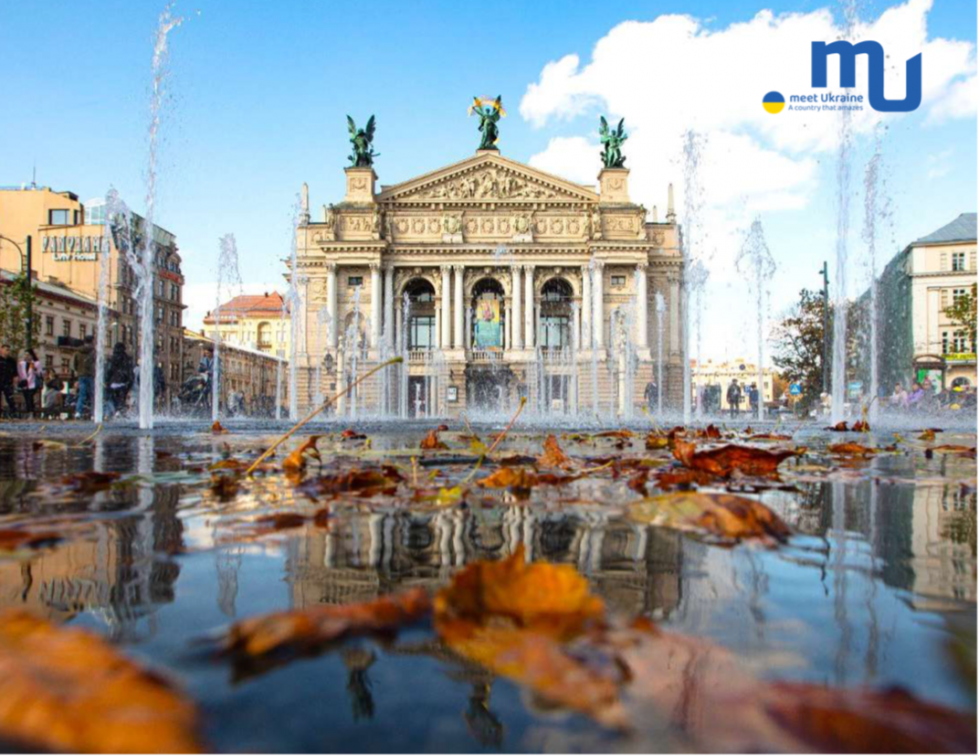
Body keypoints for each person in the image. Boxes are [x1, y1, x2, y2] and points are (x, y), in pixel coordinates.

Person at [106, 342, 134, 417]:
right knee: (122, 399)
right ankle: (120, 411)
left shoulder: (112, 359)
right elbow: (130, 371)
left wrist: (107, 381)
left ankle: (116, 411)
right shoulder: (127, 359)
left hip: (113, 383)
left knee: (114, 398)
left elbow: (109, 371)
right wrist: (130, 382)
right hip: (123, 382)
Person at [73, 336, 96, 419]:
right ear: (92, 341)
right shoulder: (93, 352)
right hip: (90, 375)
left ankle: (78, 412)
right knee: (93, 394)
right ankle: (93, 413)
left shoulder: (78, 352)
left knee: (81, 394)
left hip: (81, 375)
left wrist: (79, 371)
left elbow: (74, 365)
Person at [17, 349, 42, 416]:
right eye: (25, 354)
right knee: (27, 398)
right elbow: (19, 373)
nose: (26, 356)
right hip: (24, 384)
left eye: (28, 355)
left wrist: (34, 369)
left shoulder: (36, 363)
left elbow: (39, 374)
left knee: (30, 397)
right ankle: (31, 412)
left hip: (33, 384)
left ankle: (31, 412)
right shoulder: (21, 364)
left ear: (31, 355)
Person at [0, 344, 18, 417]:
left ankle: (13, 413)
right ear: (2, 350)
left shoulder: (12, 361)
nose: (8, 351)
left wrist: (15, 379)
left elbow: (15, 372)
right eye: (6, 350)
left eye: (8, 350)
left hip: (8, 382)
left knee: (10, 398)